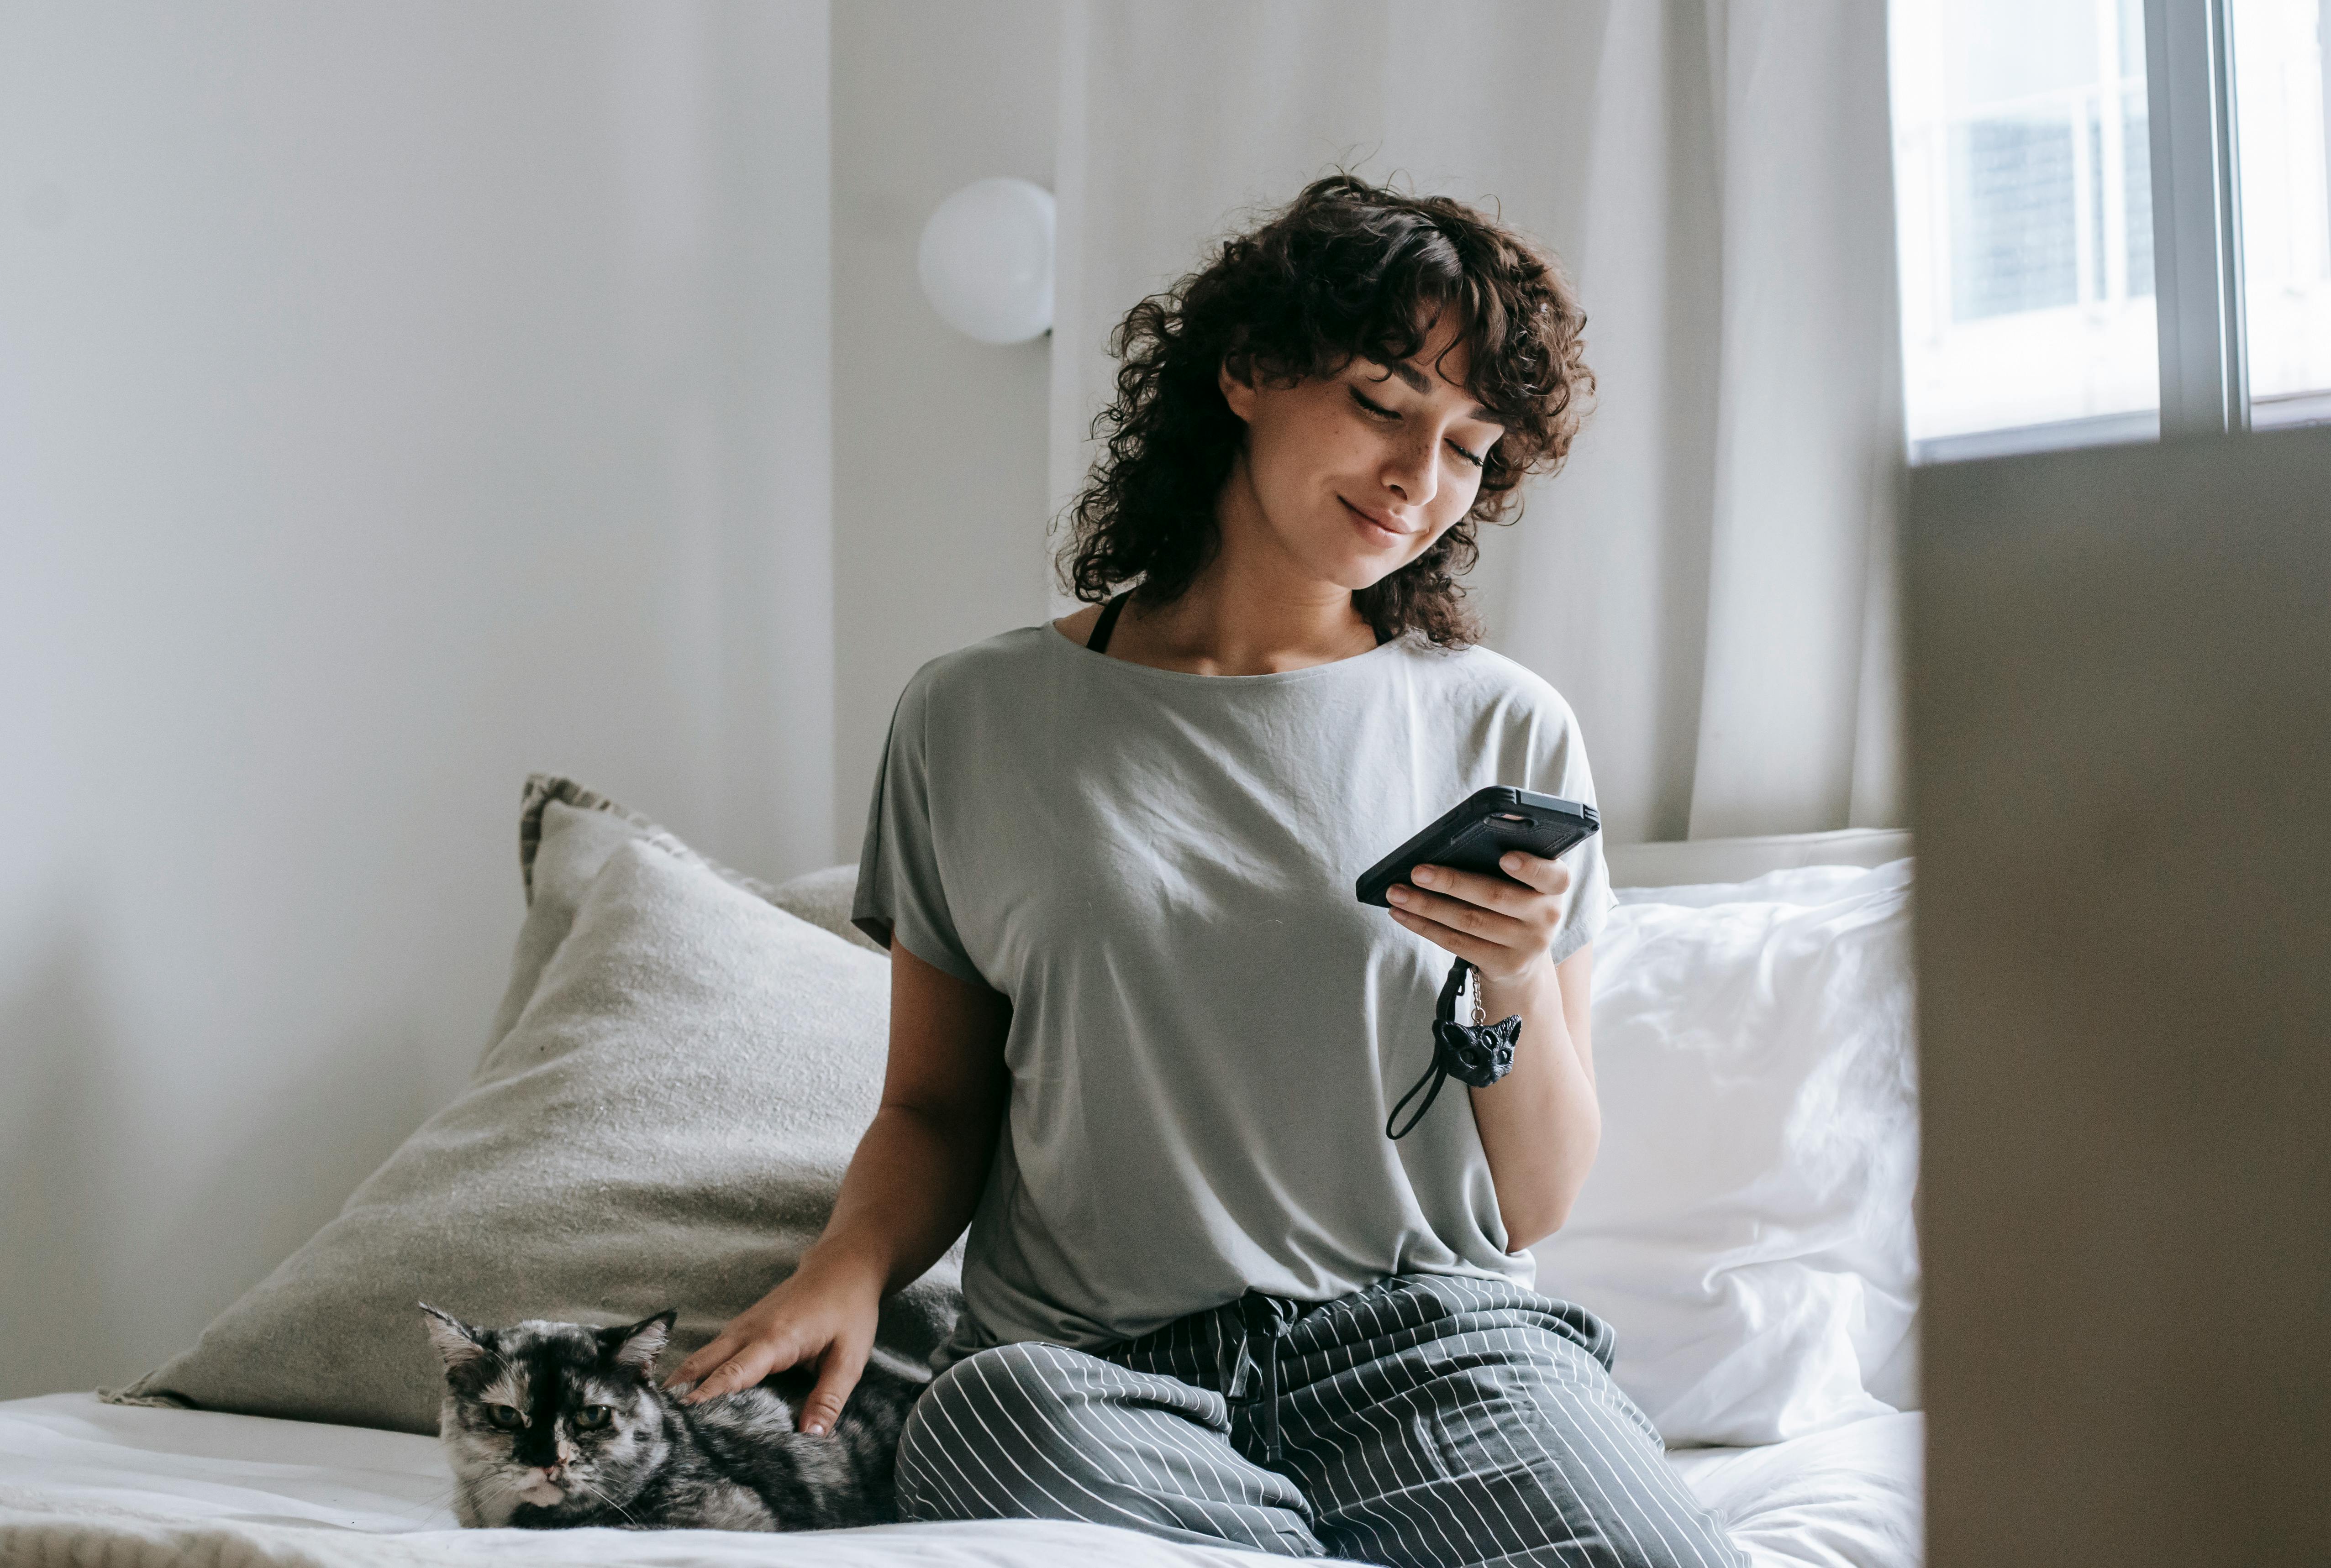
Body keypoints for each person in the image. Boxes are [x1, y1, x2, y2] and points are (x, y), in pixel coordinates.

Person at [663, 173, 1747, 1568]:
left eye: (1470, 446)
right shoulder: (968, 717)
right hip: (1093, 1376)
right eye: (1380, 399)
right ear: (1245, 370)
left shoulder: (1500, 724)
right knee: (979, 1427)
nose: (1422, 476)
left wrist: (1514, 973)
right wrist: (845, 1268)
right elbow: (936, 1103)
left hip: (1432, 1349)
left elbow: (1532, 1205)